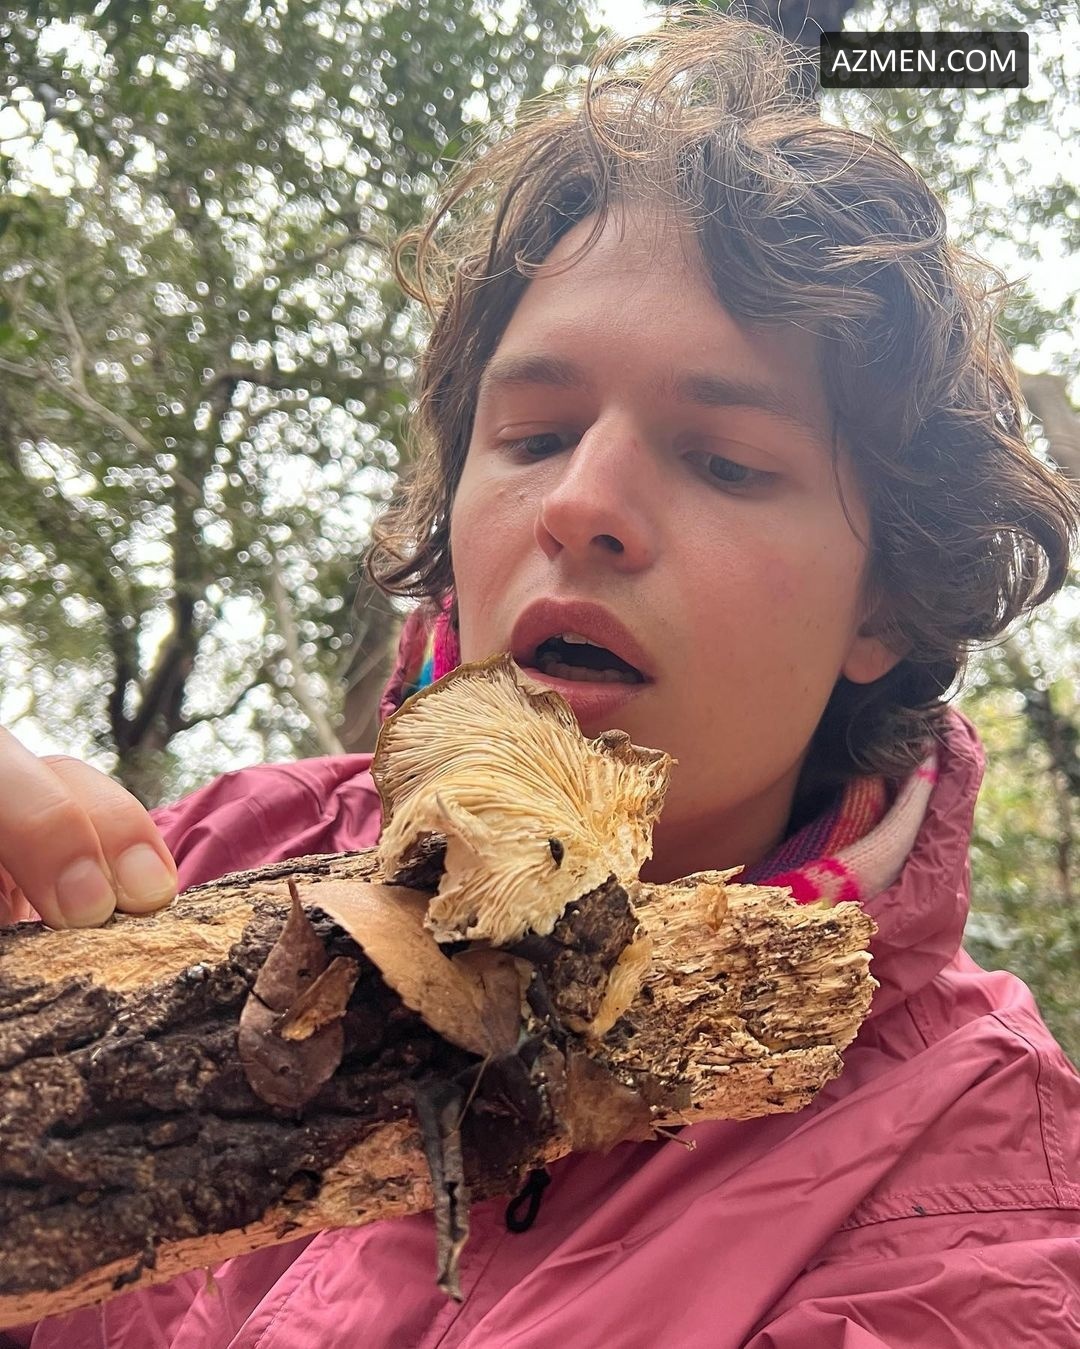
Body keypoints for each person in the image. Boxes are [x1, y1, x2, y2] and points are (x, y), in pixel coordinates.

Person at [3, 12, 1079, 1348]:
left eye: (726, 461)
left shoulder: (978, 1179)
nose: (582, 505)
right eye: (533, 435)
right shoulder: (207, 856)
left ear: (886, 606)